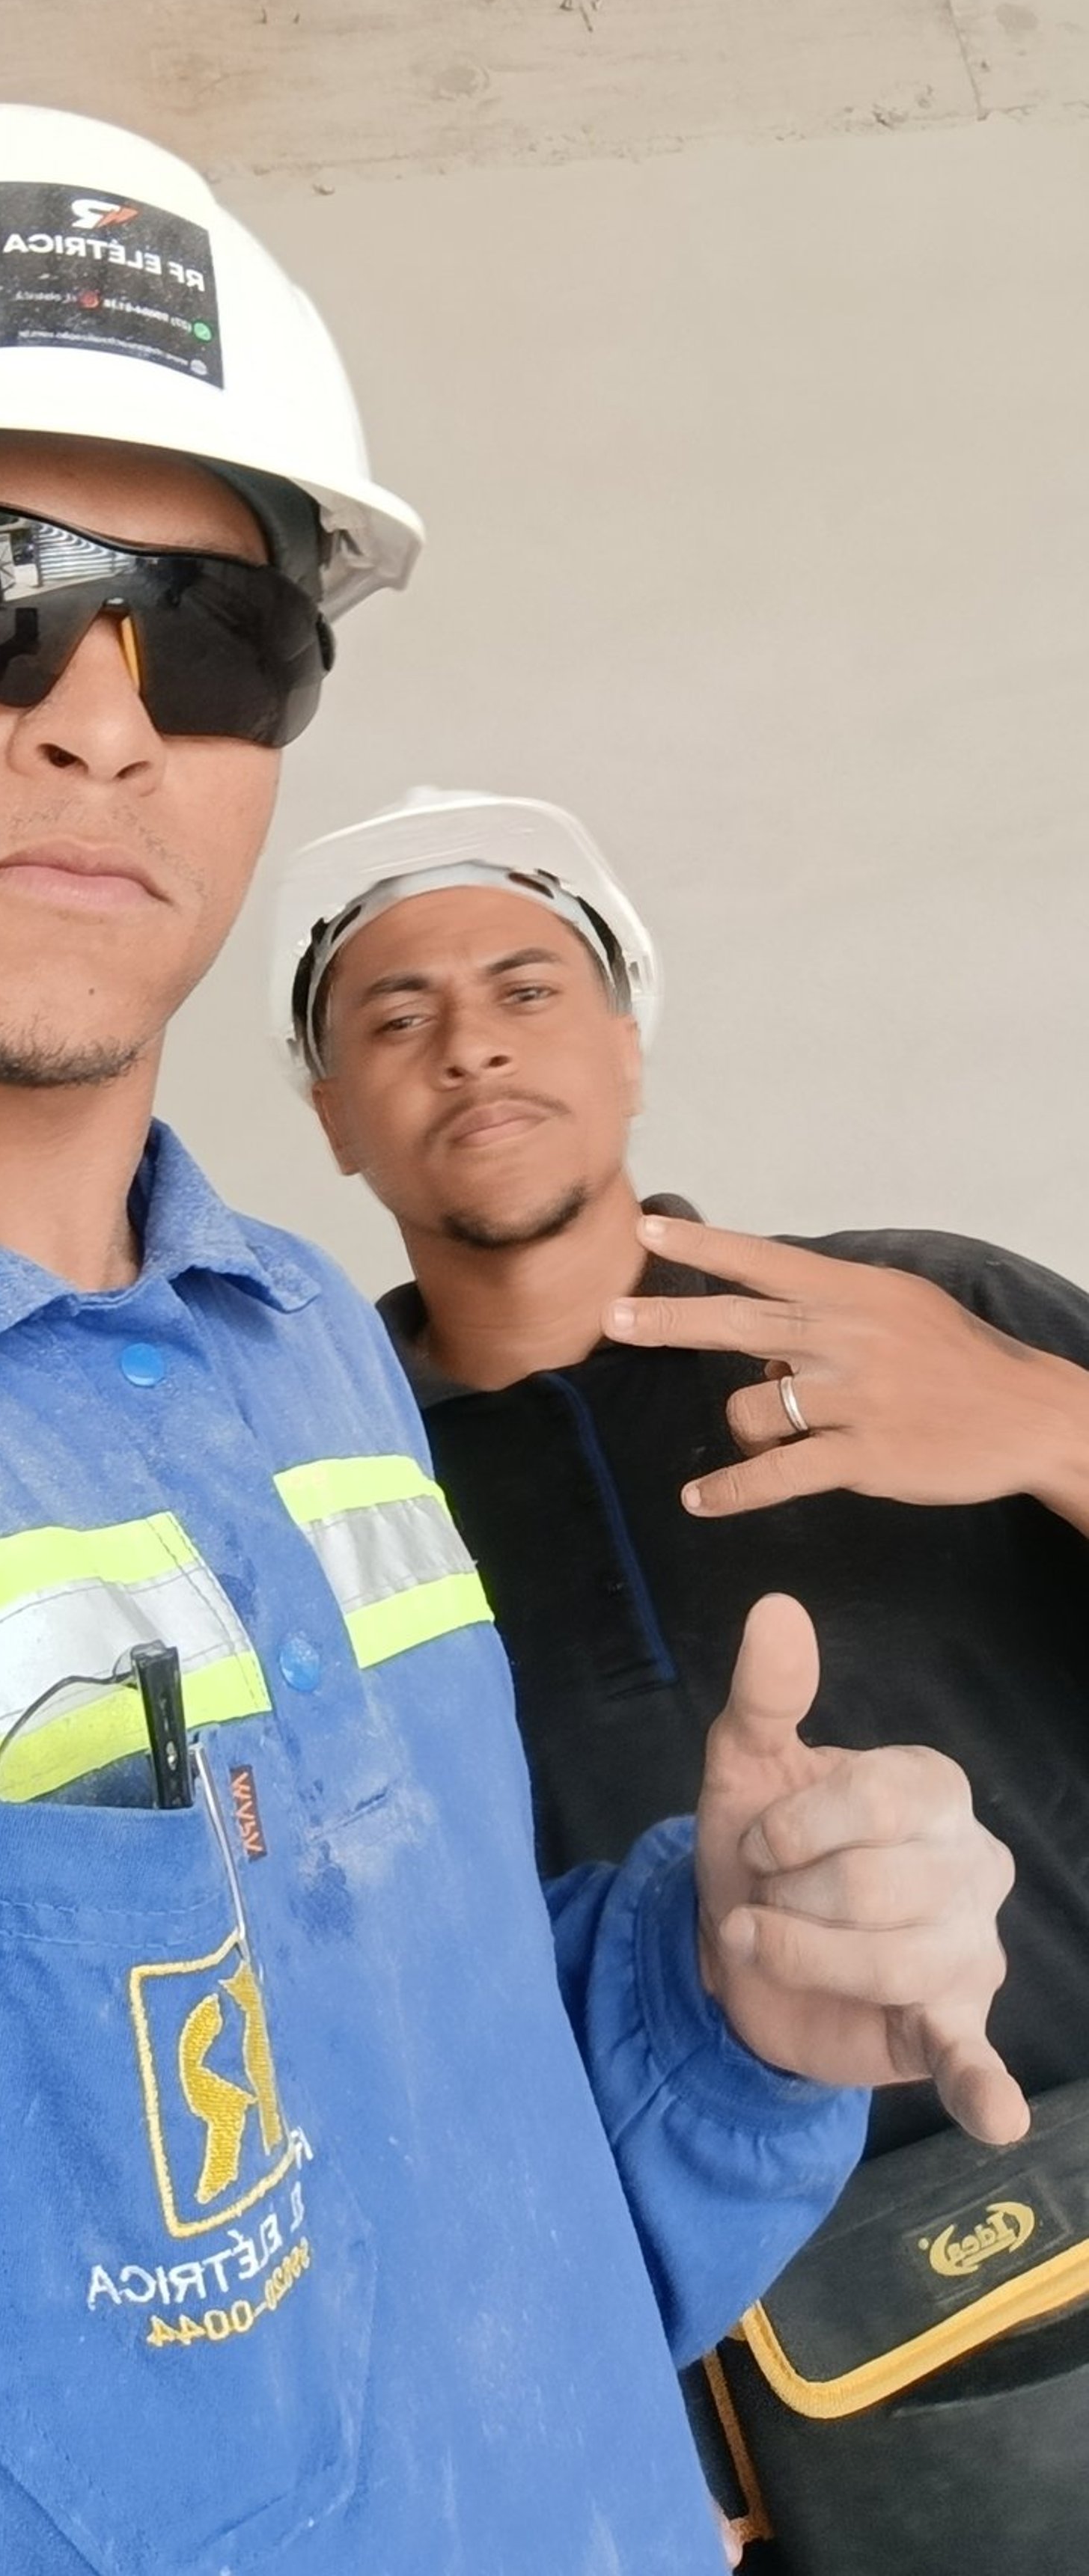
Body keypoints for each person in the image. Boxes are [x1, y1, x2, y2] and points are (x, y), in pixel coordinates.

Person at [0, 125, 1019, 2576]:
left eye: (211, 631)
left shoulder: (293, 1345)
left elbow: (426, 2136)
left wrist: (722, 1992)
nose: (102, 721)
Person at [275, 786, 1089, 2150]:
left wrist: (1059, 1424)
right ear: (335, 1120)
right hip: (700, 2270)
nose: (471, 1046)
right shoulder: (308, 1496)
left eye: (526, 991)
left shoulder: (925, 1307)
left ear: (627, 1048)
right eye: (399, 1020)